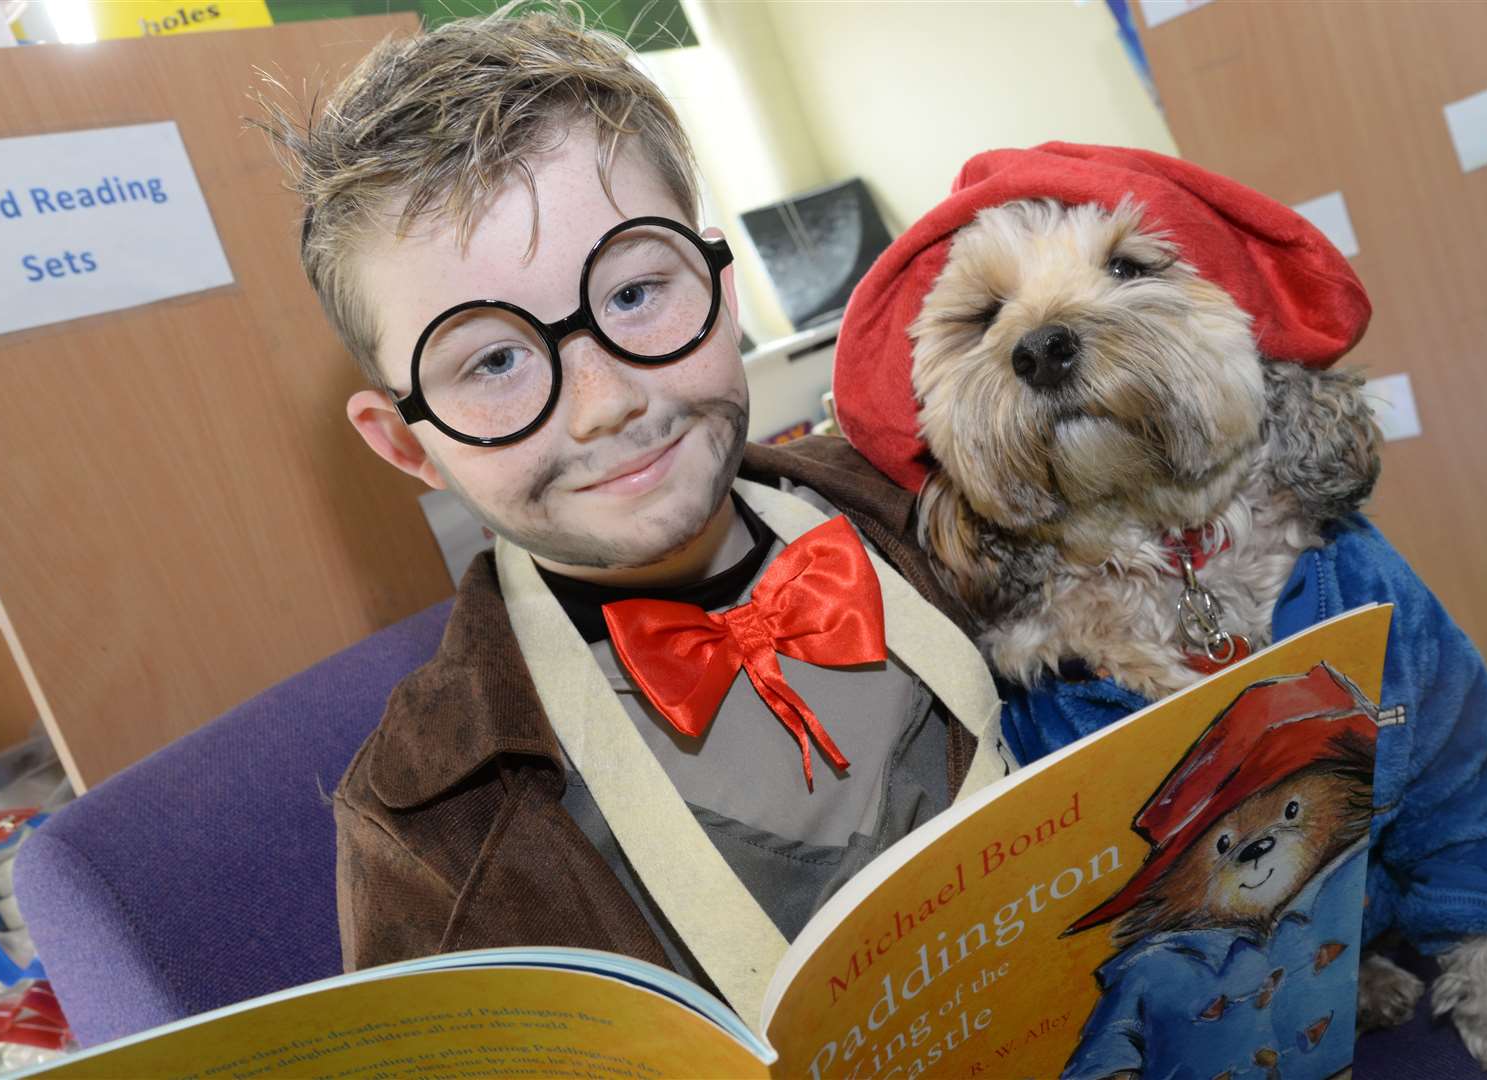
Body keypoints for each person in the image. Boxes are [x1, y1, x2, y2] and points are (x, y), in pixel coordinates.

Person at [254, 6, 1012, 1021]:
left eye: (633, 294)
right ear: (405, 444)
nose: (606, 398)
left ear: (721, 286)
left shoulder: (922, 499)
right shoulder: (431, 837)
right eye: (491, 361)